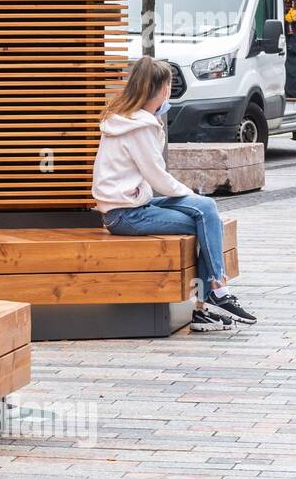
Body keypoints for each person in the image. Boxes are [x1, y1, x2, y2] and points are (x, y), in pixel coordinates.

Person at [92, 57, 256, 331]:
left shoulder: (127, 120)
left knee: (206, 211)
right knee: (205, 218)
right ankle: (216, 290)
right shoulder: (139, 127)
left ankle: (207, 304)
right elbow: (158, 177)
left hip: (128, 205)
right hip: (126, 215)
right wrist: (188, 193)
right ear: (164, 89)